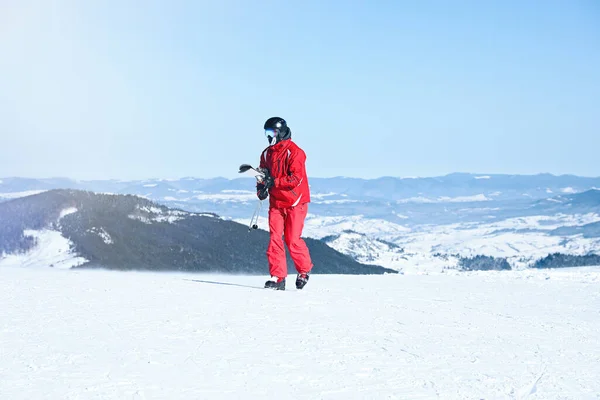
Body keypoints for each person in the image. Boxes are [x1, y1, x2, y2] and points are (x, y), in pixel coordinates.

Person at [256, 117, 313, 290]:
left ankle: (304, 270)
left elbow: (296, 178)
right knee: (274, 238)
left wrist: (274, 182)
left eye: (272, 132)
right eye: (267, 133)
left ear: (280, 132)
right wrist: (261, 189)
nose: (269, 136)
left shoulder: (295, 152)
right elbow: (262, 174)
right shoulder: (267, 153)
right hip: (276, 202)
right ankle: (278, 277)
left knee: (292, 239)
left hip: (295, 201)